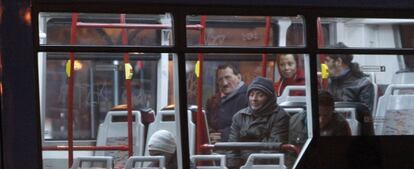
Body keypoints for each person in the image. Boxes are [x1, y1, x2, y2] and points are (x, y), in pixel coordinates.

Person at [228, 76, 290, 168]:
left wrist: (250, 164)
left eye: (260, 95)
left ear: (269, 98)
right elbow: (232, 149)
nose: (254, 99)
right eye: (251, 95)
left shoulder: (280, 116)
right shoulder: (239, 117)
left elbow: (273, 148)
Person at [325, 42, 375, 113]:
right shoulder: (332, 81)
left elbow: (365, 116)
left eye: (327, 60)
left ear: (338, 61)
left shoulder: (364, 85)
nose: (325, 64)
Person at [206, 63, 248, 142]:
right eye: (220, 79)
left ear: (239, 77)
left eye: (228, 77)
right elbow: (208, 124)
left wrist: (223, 135)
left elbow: (248, 125)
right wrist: (210, 134)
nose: (224, 83)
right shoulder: (213, 100)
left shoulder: (249, 97)